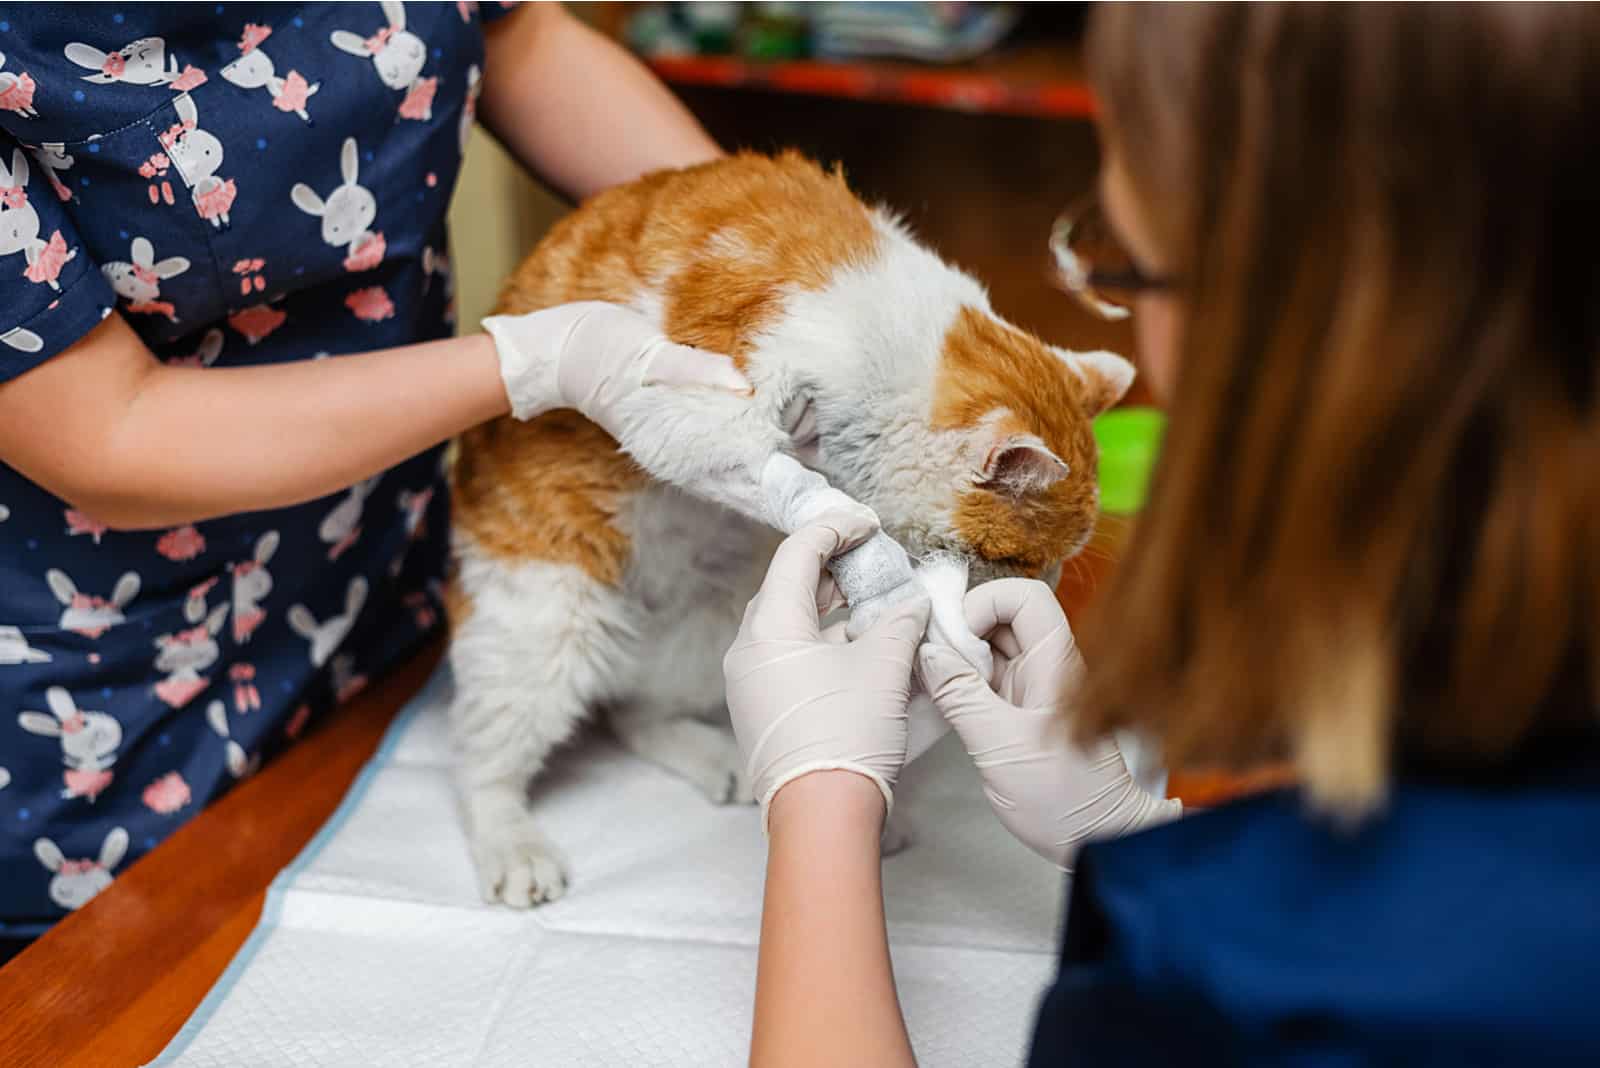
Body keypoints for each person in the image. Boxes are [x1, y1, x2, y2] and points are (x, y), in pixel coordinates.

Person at [722, 4, 1600, 1064]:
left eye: (1123, 266)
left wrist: (817, 800)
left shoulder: (1219, 973)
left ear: (1301, 329)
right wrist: (1133, 827)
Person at [0, 3, 746, 955]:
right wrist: (529, 366)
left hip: (388, 585)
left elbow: (521, 42)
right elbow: (108, 431)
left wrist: (755, 239)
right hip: (113, 702)